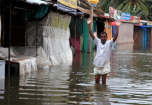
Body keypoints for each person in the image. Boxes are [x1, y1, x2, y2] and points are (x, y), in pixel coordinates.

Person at [87, 18, 121, 85]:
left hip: (105, 64)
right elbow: (91, 34)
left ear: (106, 37)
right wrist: (89, 25)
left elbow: (115, 37)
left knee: (104, 81)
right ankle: (98, 92)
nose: (103, 38)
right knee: (96, 80)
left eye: (104, 37)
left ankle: (103, 93)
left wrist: (117, 27)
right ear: (100, 37)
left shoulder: (109, 43)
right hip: (97, 64)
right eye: (102, 37)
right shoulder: (98, 41)